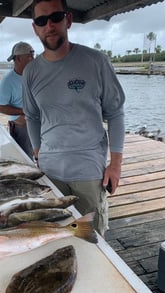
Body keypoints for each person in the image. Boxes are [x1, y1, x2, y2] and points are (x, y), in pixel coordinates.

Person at [22, 0, 125, 236]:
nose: (49, 26)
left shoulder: (96, 61)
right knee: (54, 234)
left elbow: (116, 113)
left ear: (67, 20)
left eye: (55, 17)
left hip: (89, 172)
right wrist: (37, 152)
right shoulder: (30, 72)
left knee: (91, 237)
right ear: (35, 27)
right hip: (50, 172)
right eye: (41, 21)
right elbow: (32, 116)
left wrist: (116, 165)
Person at [0, 42, 35, 159]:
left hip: (40, 121)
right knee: (25, 159)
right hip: (21, 126)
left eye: (33, 55)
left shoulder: (35, 75)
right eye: (30, 55)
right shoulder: (8, 81)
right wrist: (24, 111)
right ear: (18, 58)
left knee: (42, 155)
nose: (33, 59)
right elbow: (1, 107)